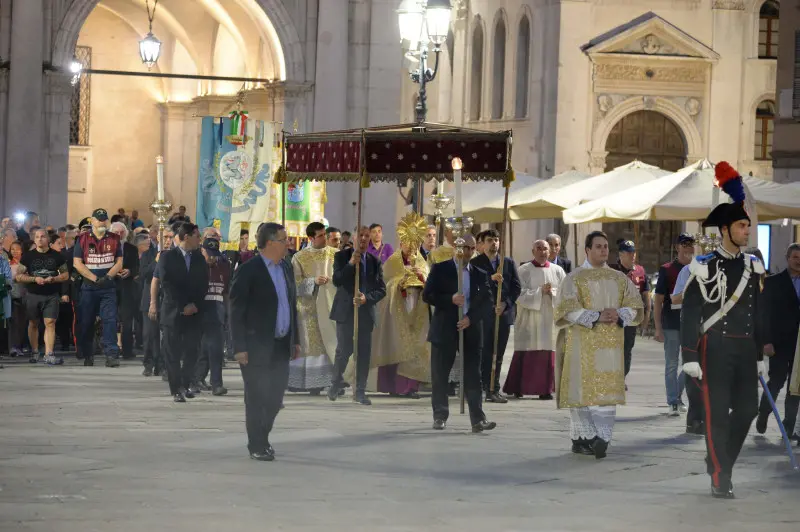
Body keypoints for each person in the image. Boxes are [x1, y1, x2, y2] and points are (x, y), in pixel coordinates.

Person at [680, 162, 766, 499]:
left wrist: (760, 354)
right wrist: (689, 355)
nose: (748, 231)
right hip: (713, 349)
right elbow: (689, 312)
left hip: (745, 350)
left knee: (748, 409)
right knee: (716, 416)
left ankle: (720, 458)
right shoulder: (703, 267)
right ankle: (721, 475)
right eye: (743, 226)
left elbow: (758, 313)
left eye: (747, 225)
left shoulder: (753, 265)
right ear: (727, 229)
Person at [554, 230, 643, 459]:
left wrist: (619, 314)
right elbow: (566, 308)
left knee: (606, 393)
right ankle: (583, 438)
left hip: (611, 346)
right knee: (581, 391)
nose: (603, 250)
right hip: (581, 343)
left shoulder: (618, 278)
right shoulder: (574, 278)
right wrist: (595, 316)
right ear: (587, 250)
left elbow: (635, 305)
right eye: (598, 246)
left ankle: (601, 438)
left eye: (605, 246)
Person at [230, 222, 300, 461]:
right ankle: (257, 444)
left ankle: (263, 435)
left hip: (281, 344)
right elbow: (236, 310)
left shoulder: (286, 268)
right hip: (255, 345)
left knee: (275, 397)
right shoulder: (249, 270)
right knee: (257, 396)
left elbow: (291, 305)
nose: (288, 244)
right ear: (270, 243)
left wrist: (295, 339)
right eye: (284, 239)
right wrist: (239, 347)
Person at [423, 233, 496, 432]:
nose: (469, 252)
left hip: (470, 329)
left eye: (473, 248)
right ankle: (440, 415)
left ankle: (477, 419)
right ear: (457, 247)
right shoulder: (441, 268)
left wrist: (470, 318)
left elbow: (487, 302)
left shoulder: (479, 273)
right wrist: (450, 299)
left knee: (473, 375)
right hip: (445, 328)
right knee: (440, 374)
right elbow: (428, 295)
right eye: (466, 248)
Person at [369, 212, 431, 398]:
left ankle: (409, 387)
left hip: (418, 308)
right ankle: (395, 386)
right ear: (401, 242)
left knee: (416, 347)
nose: (411, 247)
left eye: (415, 243)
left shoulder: (422, 261)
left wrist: (421, 277)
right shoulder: (393, 262)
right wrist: (400, 283)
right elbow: (385, 285)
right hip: (397, 310)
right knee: (398, 344)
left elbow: (429, 282)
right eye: (407, 242)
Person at [327, 226, 387, 405]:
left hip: (365, 312)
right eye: (360, 235)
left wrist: (366, 298)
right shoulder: (341, 256)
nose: (363, 238)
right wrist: (351, 264)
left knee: (363, 352)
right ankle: (336, 382)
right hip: (345, 311)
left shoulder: (374, 261)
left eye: (366, 236)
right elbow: (337, 280)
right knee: (344, 349)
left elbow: (381, 289)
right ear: (353, 237)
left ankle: (360, 390)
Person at [503, 239, 566, 399]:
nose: (543, 251)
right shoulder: (523, 270)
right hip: (529, 318)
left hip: (549, 318)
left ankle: (546, 389)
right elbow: (517, 293)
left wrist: (552, 292)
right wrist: (539, 292)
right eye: (539, 248)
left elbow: (566, 294)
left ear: (550, 251)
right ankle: (520, 387)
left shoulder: (558, 271)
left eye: (545, 248)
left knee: (548, 350)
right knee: (526, 349)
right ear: (533, 251)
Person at [153, 222, 208, 401]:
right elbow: (167, 284)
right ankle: (176, 388)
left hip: (194, 311)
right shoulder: (167, 257)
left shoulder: (199, 258)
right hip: (173, 312)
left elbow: (203, 284)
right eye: (197, 236)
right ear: (186, 237)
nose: (199, 239)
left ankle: (185, 383)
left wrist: (194, 304)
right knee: (172, 352)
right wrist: (183, 305)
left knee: (192, 350)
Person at [471, 229, 521, 403]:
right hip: (484, 315)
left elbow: (516, 287)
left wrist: (505, 304)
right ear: (483, 243)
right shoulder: (475, 263)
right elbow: (472, 288)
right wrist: (490, 279)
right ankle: (484, 386)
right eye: (490, 240)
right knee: (484, 351)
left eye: (497, 240)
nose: (494, 243)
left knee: (498, 353)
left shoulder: (507, 262)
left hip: (503, 314)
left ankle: (494, 388)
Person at [755, 243, 800, 436]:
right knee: (777, 381)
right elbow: (763, 314)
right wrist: (766, 341)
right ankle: (764, 412)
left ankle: (789, 424)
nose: (798, 261)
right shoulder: (774, 282)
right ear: (787, 258)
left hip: (799, 344)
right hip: (779, 342)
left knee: (796, 385)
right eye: (795, 257)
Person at [289, 222, 338, 394]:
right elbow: (294, 285)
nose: (325, 238)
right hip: (308, 309)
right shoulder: (299, 257)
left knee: (330, 343)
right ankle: (308, 382)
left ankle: (331, 381)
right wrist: (313, 281)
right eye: (321, 235)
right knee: (311, 345)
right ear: (311, 238)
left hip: (330, 306)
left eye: (325, 234)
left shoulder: (335, 254)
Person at [73, 209, 124, 367]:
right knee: (87, 322)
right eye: (99, 219)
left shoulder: (115, 239)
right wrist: (95, 278)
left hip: (108, 287)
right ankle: (88, 354)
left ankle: (111, 355)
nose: (102, 222)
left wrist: (108, 277)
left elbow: (119, 262)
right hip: (89, 287)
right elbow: (77, 263)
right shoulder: (82, 239)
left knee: (109, 320)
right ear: (92, 221)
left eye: (104, 220)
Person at [654, 233, 696, 417]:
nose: (688, 248)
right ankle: (672, 401)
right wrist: (657, 327)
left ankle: (677, 396)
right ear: (677, 247)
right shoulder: (667, 269)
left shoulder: (699, 268)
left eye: (690, 244)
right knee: (672, 364)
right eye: (684, 244)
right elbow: (658, 300)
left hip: (692, 323)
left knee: (691, 364)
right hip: (671, 322)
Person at [16, 228, 69, 364]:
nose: (40, 239)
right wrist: (35, 279)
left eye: (43, 236)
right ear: (34, 239)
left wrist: (54, 279)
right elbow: (18, 276)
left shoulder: (57, 256)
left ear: (48, 239)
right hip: (33, 294)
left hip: (51, 294)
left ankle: (49, 354)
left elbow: (65, 275)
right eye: (37, 237)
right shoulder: (28, 256)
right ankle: (34, 351)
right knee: (33, 323)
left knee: (50, 323)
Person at [193, 237, 231, 396]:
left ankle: (216, 383)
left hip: (217, 309)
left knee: (214, 347)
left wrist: (227, 312)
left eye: (214, 254)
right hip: (198, 309)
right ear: (202, 251)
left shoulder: (224, 266)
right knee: (203, 347)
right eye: (208, 254)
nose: (211, 257)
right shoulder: (195, 266)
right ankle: (197, 379)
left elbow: (227, 290)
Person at [609, 239, 650, 380]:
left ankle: (622, 378)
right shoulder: (610, 270)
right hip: (613, 317)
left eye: (634, 252)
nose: (632, 255)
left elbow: (645, 294)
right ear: (621, 254)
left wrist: (646, 314)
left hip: (631, 318)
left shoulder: (640, 271)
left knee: (627, 349)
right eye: (628, 252)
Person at [110, 222, 139, 359]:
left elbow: (137, 267)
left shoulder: (131, 248)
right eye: (116, 232)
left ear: (125, 234)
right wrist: (113, 272)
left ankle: (127, 350)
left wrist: (130, 271)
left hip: (127, 288)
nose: (119, 234)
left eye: (121, 232)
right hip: (110, 287)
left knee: (127, 321)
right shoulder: (105, 248)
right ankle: (112, 349)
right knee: (110, 319)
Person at [135, 233, 161, 376]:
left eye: (169, 237)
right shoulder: (148, 254)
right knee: (149, 334)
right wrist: (156, 262)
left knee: (165, 336)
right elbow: (144, 274)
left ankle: (161, 365)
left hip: (168, 299)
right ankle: (148, 363)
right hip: (149, 299)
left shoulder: (175, 254)